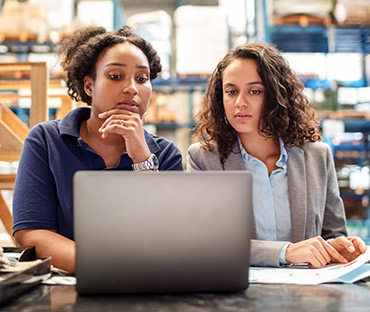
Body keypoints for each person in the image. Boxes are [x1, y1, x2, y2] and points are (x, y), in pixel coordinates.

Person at [12, 26, 183, 273]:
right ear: (90, 86)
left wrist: (142, 159)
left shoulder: (165, 154)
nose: (132, 88)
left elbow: (170, 236)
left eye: (142, 79)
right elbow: (31, 232)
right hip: (71, 287)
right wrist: (104, 266)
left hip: (145, 286)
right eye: (116, 76)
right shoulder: (46, 141)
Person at [187, 43, 366, 268]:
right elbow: (206, 244)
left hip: (307, 296)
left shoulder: (317, 156)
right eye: (231, 91)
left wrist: (340, 247)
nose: (240, 102)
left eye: (254, 91)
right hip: (238, 294)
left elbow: (332, 233)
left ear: (276, 95)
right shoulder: (204, 159)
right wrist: (285, 252)